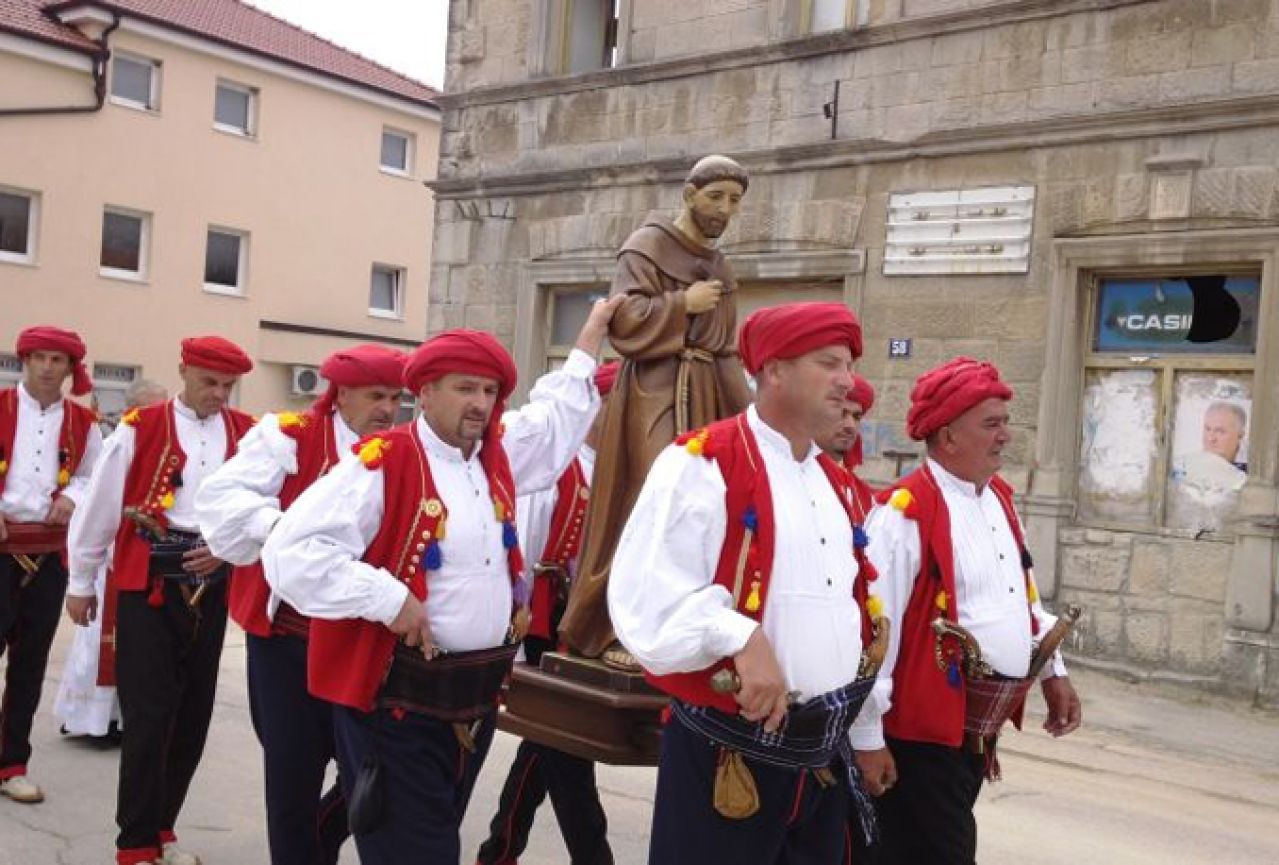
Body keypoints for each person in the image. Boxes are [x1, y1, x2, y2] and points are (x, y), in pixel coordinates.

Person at [262, 299, 619, 865]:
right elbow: (292, 553)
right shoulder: (383, 460)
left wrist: (590, 337)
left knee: (426, 842)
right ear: (423, 393)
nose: (480, 403)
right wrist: (387, 597)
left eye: (488, 391)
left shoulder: (493, 458)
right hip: (400, 704)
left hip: (473, 703)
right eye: (464, 388)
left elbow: (554, 426)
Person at [609, 302, 883, 865]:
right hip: (730, 754)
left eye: (849, 365)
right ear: (774, 370)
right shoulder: (703, 462)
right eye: (828, 363)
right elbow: (645, 596)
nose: (845, 380)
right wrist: (738, 635)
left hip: (819, 758)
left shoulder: (840, 487)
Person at [852, 357, 1083, 865]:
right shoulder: (903, 513)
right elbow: (875, 634)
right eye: (991, 424)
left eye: (1006, 422)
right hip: (919, 733)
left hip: (976, 729)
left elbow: (1022, 598)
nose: (1006, 435)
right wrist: (867, 736)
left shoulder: (998, 498)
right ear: (948, 435)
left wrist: (1052, 671)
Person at [194, 344, 405, 865]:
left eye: (397, 397)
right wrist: (279, 528)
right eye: (377, 396)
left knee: (374, 774)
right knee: (291, 774)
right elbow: (222, 499)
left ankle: (321, 840)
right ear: (341, 394)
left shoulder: (403, 451)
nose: (388, 408)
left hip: (363, 643)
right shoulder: (288, 437)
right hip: (288, 642)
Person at [66, 336, 256, 865]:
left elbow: (262, 511)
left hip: (212, 585)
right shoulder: (139, 427)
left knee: (192, 717)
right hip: (148, 584)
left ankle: (163, 829)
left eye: (227, 386)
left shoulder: (248, 435)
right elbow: (100, 508)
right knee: (149, 717)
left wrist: (228, 548)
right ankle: (134, 844)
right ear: (183, 372)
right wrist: (81, 583)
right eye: (208, 382)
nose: (219, 394)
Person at [560, 155, 754, 664]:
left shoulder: (721, 268)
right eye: (716, 197)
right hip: (653, 388)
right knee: (651, 496)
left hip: (706, 391)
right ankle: (617, 630)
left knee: (700, 505)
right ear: (690, 194)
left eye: (734, 200)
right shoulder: (645, 246)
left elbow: (726, 350)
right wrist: (681, 306)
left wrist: (752, 421)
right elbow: (624, 323)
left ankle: (678, 628)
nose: (724, 209)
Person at [475, 361, 620, 865]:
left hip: (579, 626)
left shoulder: (616, 468)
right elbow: (525, 544)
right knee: (564, 743)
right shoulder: (559, 465)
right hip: (539, 622)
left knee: (552, 739)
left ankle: (500, 850)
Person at [0, 326, 103, 803]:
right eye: (38, 357)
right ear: (25, 360)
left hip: (48, 555)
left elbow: (92, 478)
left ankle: (11, 764)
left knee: (29, 662)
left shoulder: (86, 423)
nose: (46, 367)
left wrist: (73, 496)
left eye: (57, 360)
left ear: (70, 368)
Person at [54, 378, 167, 742]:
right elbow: (96, 505)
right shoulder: (116, 446)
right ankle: (88, 718)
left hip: (148, 562)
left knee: (141, 651)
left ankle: (124, 719)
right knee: (96, 644)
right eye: (149, 408)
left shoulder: (165, 444)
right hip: (112, 559)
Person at [817, 374, 877, 518]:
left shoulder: (866, 497)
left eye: (856, 417)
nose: (850, 426)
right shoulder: (788, 479)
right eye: (841, 413)